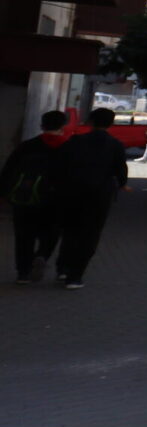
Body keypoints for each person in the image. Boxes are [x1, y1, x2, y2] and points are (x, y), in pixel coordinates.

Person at [50, 107, 129, 290]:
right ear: (111, 124)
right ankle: (75, 276)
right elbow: (121, 170)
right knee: (90, 234)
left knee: (70, 230)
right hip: (100, 195)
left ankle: (63, 268)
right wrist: (122, 184)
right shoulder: (115, 145)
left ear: (91, 122)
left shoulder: (76, 141)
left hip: (73, 192)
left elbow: (60, 163)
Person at [3, 111, 69, 284]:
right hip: (56, 200)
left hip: (26, 197)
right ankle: (42, 255)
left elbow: (9, 170)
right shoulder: (69, 147)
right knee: (52, 232)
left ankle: (23, 273)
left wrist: (5, 194)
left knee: (24, 235)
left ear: (42, 125)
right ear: (63, 127)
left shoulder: (27, 146)